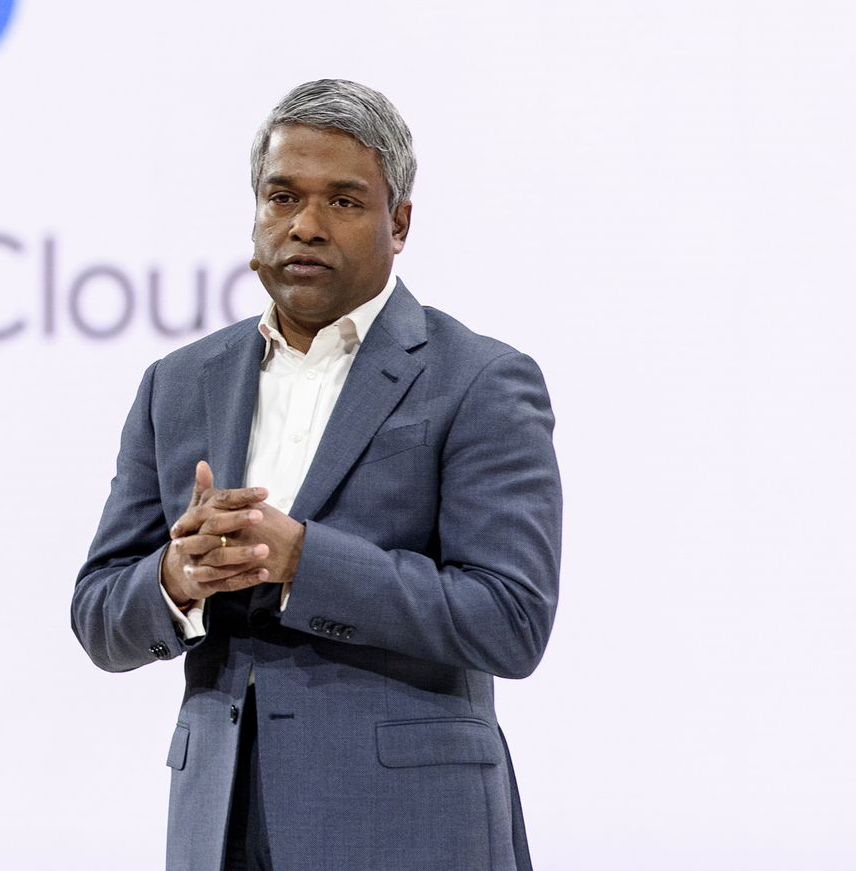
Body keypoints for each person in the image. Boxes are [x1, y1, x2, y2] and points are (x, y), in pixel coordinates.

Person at [71, 79, 561, 871]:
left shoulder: (479, 380)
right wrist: (176, 577)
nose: (304, 225)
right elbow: (98, 614)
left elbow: (509, 619)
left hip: (410, 831)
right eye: (282, 196)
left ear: (398, 224)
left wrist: (303, 559)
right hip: (222, 823)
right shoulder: (179, 382)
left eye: (342, 201)